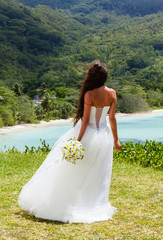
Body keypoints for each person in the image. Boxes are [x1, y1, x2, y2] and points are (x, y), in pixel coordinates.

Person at [18, 60, 121, 223]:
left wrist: (77, 142)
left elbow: (86, 120)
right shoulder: (112, 93)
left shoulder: (89, 94)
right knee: (99, 173)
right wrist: (116, 140)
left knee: (78, 171)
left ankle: (74, 202)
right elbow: (112, 118)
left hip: (89, 135)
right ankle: (96, 204)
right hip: (105, 137)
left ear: (92, 77)